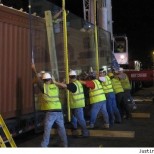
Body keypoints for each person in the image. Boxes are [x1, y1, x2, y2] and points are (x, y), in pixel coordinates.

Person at [32, 64, 68, 147]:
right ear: (50, 79)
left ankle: (44, 146)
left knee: (47, 129)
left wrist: (34, 69)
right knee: (61, 128)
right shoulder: (55, 86)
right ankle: (65, 144)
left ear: (43, 80)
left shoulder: (44, 87)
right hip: (59, 110)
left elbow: (37, 80)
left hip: (51, 112)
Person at [53, 70, 89, 137]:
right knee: (74, 118)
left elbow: (64, 86)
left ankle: (85, 132)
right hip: (78, 104)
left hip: (77, 105)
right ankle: (74, 130)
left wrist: (55, 82)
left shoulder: (73, 85)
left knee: (80, 119)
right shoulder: (78, 82)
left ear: (69, 77)